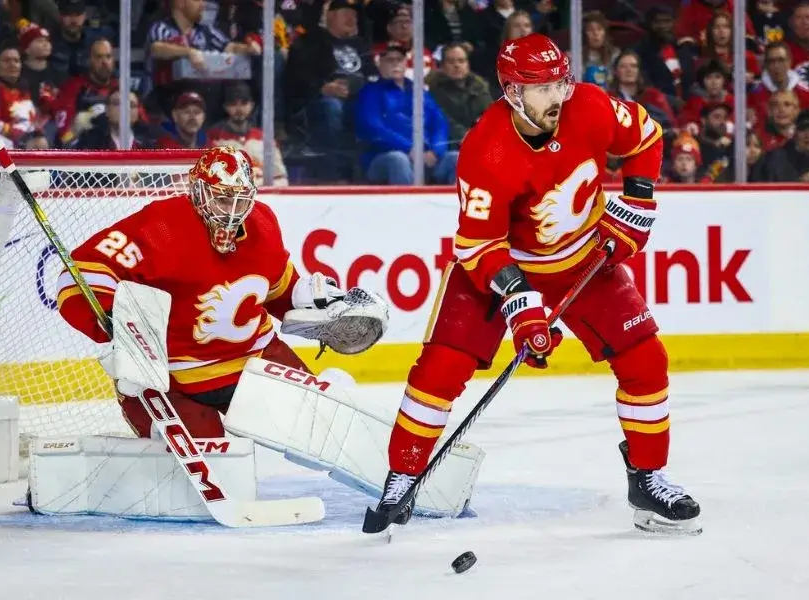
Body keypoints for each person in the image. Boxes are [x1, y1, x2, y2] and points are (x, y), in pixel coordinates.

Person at [369, 33, 701, 535]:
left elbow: (647, 136)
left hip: (582, 259)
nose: (558, 95)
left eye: (560, 81)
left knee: (645, 359)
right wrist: (520, 304)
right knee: (441, 369)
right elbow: (479, 247)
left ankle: (648, 477)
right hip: (501, 266)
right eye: (542, 87)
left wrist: (637, 202)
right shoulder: (486, 149)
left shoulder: (589, 104)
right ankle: (402, 476)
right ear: (511, 92)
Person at [56, 146, 382, 438]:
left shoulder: (263, 222)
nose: (233, 210)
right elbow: (83, 271)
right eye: (224, 198)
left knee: (327, 425)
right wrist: (109, 315)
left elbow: (277, 287)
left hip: (257, 360)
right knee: (205, 461)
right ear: (199, 192)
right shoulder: (163, 225)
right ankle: (154, 425)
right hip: (177, 377)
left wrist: (313, 302)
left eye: (241, 199)